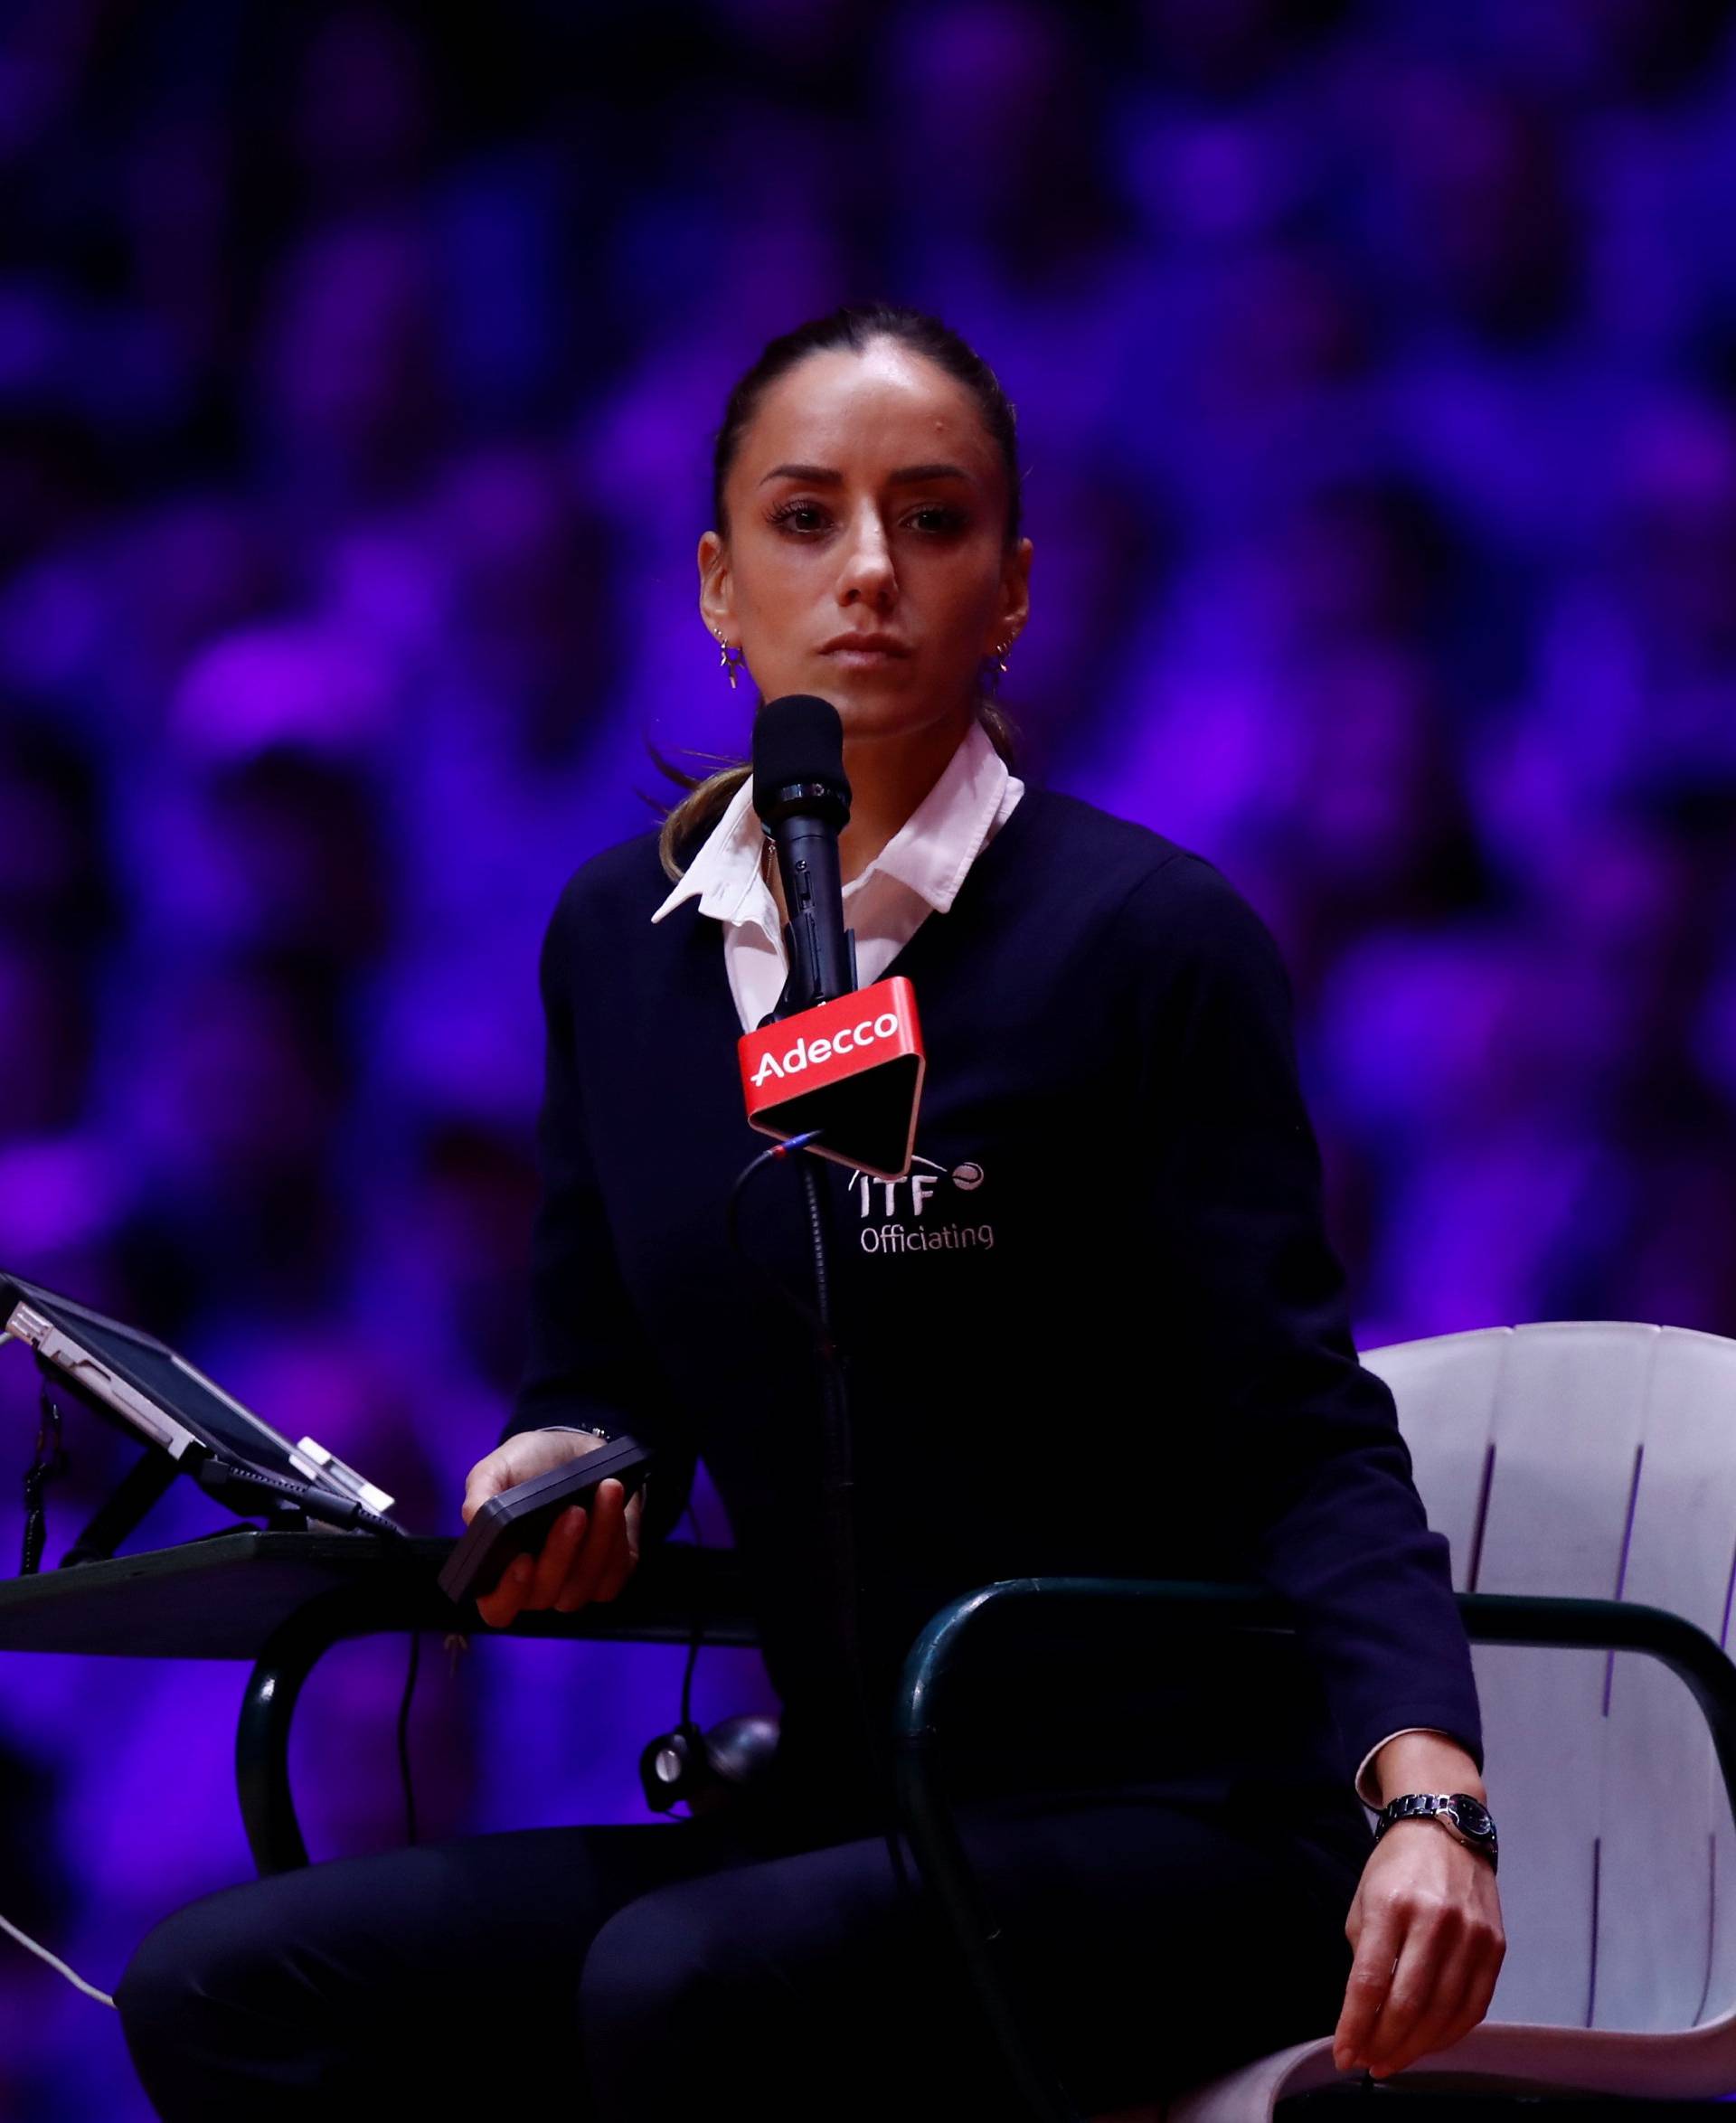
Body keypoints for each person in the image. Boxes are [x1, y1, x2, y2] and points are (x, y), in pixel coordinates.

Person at [116, 305, 1504, 2119]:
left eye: (932, 522)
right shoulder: (623, 953)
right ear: (714, 585)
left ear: (1011, 592)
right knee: (233, 1983)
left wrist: (1426, 1798)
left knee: (688, 1982)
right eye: (804, 518)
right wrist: (567, 1472)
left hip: (1173, 1831)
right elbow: (602, 1367)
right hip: (842, 1813)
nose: (867, 570)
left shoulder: (1146, 943)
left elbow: (1308, 1431)